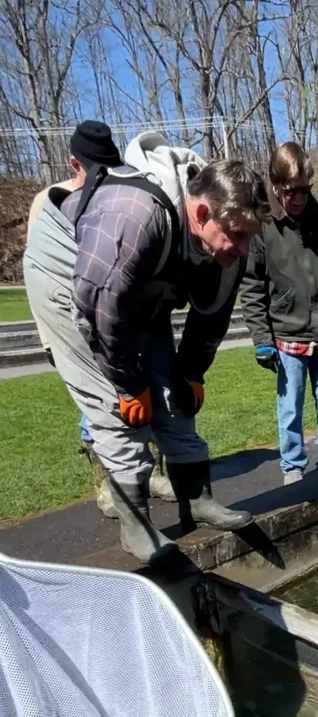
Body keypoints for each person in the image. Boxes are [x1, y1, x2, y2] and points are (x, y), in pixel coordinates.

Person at [24, 125, 272, 564]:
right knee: (115, 406)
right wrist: (127, 383)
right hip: (70, 275)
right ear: (199, 214)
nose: (243, 247)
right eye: (236, 235)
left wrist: (191, 371)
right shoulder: (135, 212)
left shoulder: (232, 240)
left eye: (250, 235)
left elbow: (210, 316)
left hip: (138, 285)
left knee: (172, 392)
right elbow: (99, 310)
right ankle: (136, 527)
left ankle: (195, 497)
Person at [25, 122, 174, 520]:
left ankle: (146, 474)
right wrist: (49, 340)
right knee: (102, 407)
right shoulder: (51, 200)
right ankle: (107, 482)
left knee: (141, 396)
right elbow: (48, 280)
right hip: (76, 319)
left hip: (121, 319)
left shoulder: (119, 194)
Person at [240, 142, 318, 485]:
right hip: (286, 334)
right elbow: (251, 286)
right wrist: (262, 340)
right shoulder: (262, 221)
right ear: (276, 185)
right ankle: (293, 467)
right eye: (293, 192)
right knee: (290, 407)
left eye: (306, 190)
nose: (300, 199)